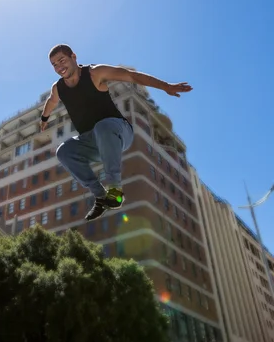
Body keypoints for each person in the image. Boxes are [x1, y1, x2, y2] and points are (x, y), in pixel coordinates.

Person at [40, 44, 192, 221]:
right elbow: (51, 101)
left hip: (119, 131)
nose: (59, 67)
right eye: (54, 65)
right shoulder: (58, 88)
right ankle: (101, 197)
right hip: (94, 141)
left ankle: (115, 189)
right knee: (64, 151)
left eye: (62, 61)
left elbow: (131, 76)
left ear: (74, 56)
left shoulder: (95, 73)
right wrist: (44, 118)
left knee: (102, 127)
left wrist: (166, 86)